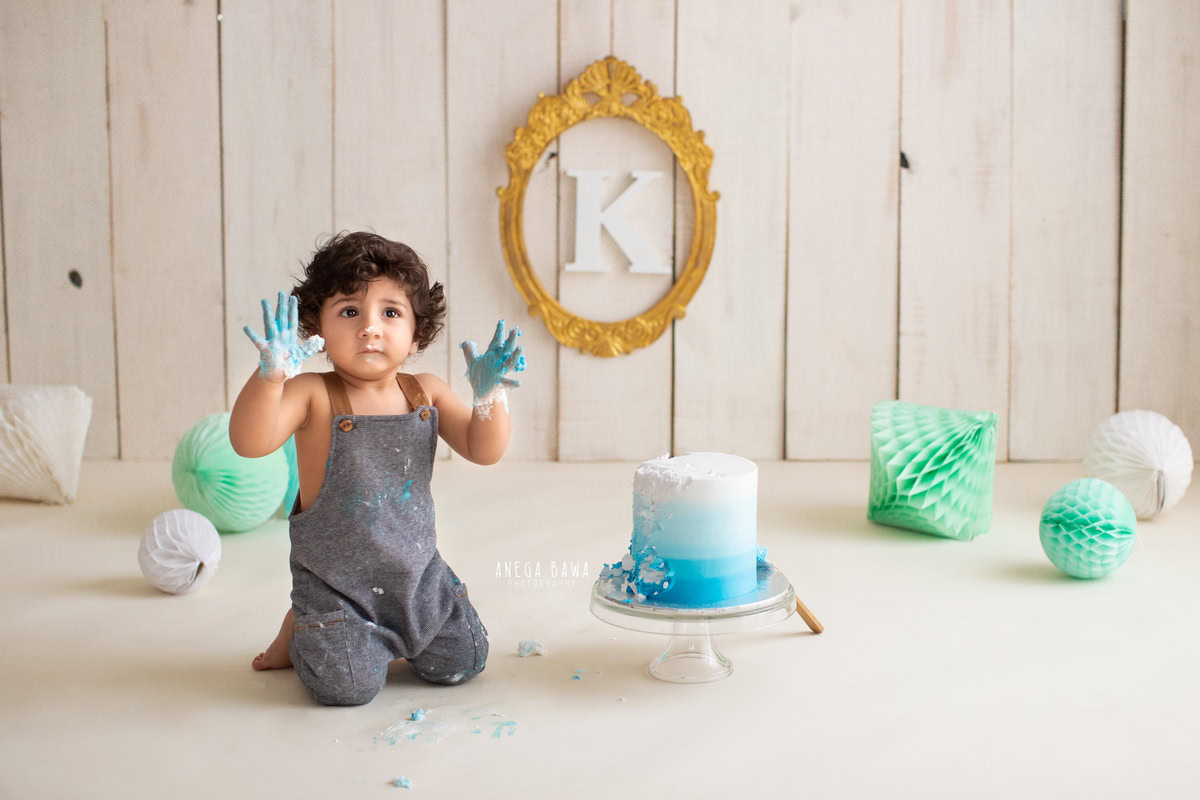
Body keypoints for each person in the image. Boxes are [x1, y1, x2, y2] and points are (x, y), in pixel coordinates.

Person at [229, 231, 525, 706]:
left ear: (416, 332)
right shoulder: (312, 393)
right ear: (318, 328)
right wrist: (270, 378)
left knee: (465, 660)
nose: (370, 327)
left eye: (390, 312)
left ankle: (388, 635)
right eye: (350, 311)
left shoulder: (425, 391)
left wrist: (489, 395)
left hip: (415, 577)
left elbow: (482, 449)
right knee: (345, 688)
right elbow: (249, 443)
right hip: (335, 583)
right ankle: (305, 620)